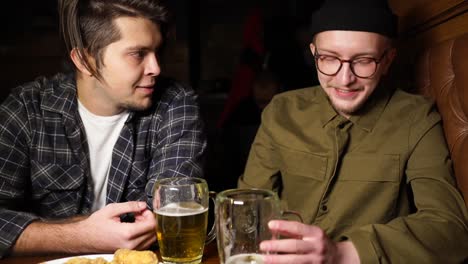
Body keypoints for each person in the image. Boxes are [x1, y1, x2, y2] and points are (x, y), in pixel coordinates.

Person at [238, 0, 468, 263]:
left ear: (387, 60)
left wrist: (343, 253)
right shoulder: (280, 110)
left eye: (364, 61)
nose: (344, 78)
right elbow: (248, 207)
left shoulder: (416, 117)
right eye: (328, 58)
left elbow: (450, 228)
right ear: (313, 53)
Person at [0, 0, 206, 258]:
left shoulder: (175, 103)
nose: (156, 68)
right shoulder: (26, 109)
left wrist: (45, 230)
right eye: (138, 54)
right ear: (85, 61)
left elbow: (168, 212)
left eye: (157, 51)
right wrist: (80, 235)